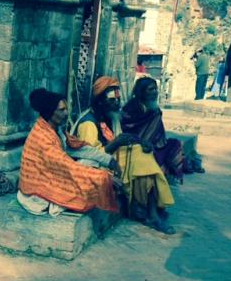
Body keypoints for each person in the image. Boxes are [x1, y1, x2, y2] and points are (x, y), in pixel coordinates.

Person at [73, 76, 175, 234]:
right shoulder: (89, 123)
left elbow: (121, 139)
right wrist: (115, 144)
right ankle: (151, 213)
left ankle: (148, 210)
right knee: (141, 160)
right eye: (112, 99)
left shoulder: (110, 117)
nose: (117, 103)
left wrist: (140, 141)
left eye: (118, 98)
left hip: (112, 158)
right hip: (96, 165)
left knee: (143, 156)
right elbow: (88, 155)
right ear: (100, 101)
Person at [18, 88, 119, 216]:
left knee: (92, 163)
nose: (66, 113)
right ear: (50, 112)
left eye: (66, 109)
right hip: (36, 189)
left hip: (54, 173)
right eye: (61, 110)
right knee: (90, 184)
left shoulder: (57, 130)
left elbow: (81, 149)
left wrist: (109, 160)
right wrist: (104, 178)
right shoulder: (43, 137)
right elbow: (67, 166)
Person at [121, 76, 186, 182]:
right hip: (134, 146)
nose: (155, 92)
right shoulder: (131, 108)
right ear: (142, 92)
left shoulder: (155, 111)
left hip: (154, 145)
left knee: (175, 145)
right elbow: (127, 129)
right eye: (151, 89)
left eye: (156, 89)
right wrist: (141, 142)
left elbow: (157, 135)